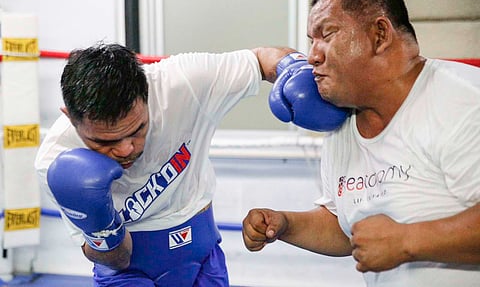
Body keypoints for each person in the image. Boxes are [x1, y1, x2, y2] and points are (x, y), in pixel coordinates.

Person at [34, 41, 344, 286]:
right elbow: (117, 259)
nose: (127, 148)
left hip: (202, 256)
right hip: (127, 272)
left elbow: (263, 59)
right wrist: (102, 230)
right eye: (105, 142)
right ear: (69, 117)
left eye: (138, 129)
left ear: (147, 94)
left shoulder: (183, 82)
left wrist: (296, 71)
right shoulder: (57, 161)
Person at [242, 0, 480, 287]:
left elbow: (394, 240)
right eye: (311, 42)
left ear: (380, 34)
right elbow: (346, 227)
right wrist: (284, 225)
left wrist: (408, 241)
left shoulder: (462, 100)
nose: (312, 56)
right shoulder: (342, 127)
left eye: (327, 34)